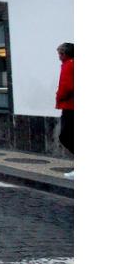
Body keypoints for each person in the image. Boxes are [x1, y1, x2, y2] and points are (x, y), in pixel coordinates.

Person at [56, 42, 74, 179]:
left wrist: (59, 97)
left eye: (59, 54)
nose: (58, 57)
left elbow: (66, 86)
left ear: (64, 54)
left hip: (70, 106)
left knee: (66, 136)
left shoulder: (69, 65)